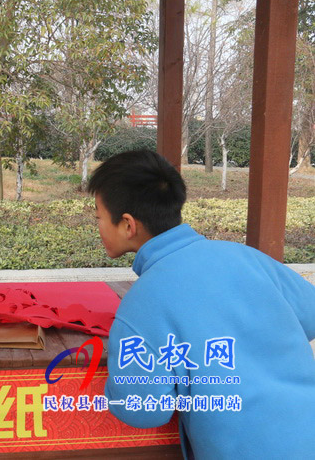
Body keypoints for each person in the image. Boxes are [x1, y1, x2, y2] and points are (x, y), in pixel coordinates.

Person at [88, 150, 315, 459]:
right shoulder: (247, 257)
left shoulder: (142, 304)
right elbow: (310, 315)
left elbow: (143, 411)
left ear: (127, 225)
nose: (97, 226)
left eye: (98, 217)